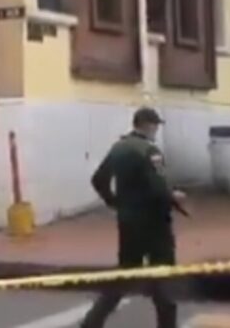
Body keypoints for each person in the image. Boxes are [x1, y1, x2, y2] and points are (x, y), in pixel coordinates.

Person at [81, 107, 188, 328]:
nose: (156, 130)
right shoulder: (149, 151)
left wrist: (114, 202)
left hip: (128, 222)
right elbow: (158, 188)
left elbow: (98, 179)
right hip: (154, 224)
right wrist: (174, 196)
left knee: (126, 273)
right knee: (164, 277)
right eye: (155, 125)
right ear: (147, 125)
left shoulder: (119, 147)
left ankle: (92, 321)